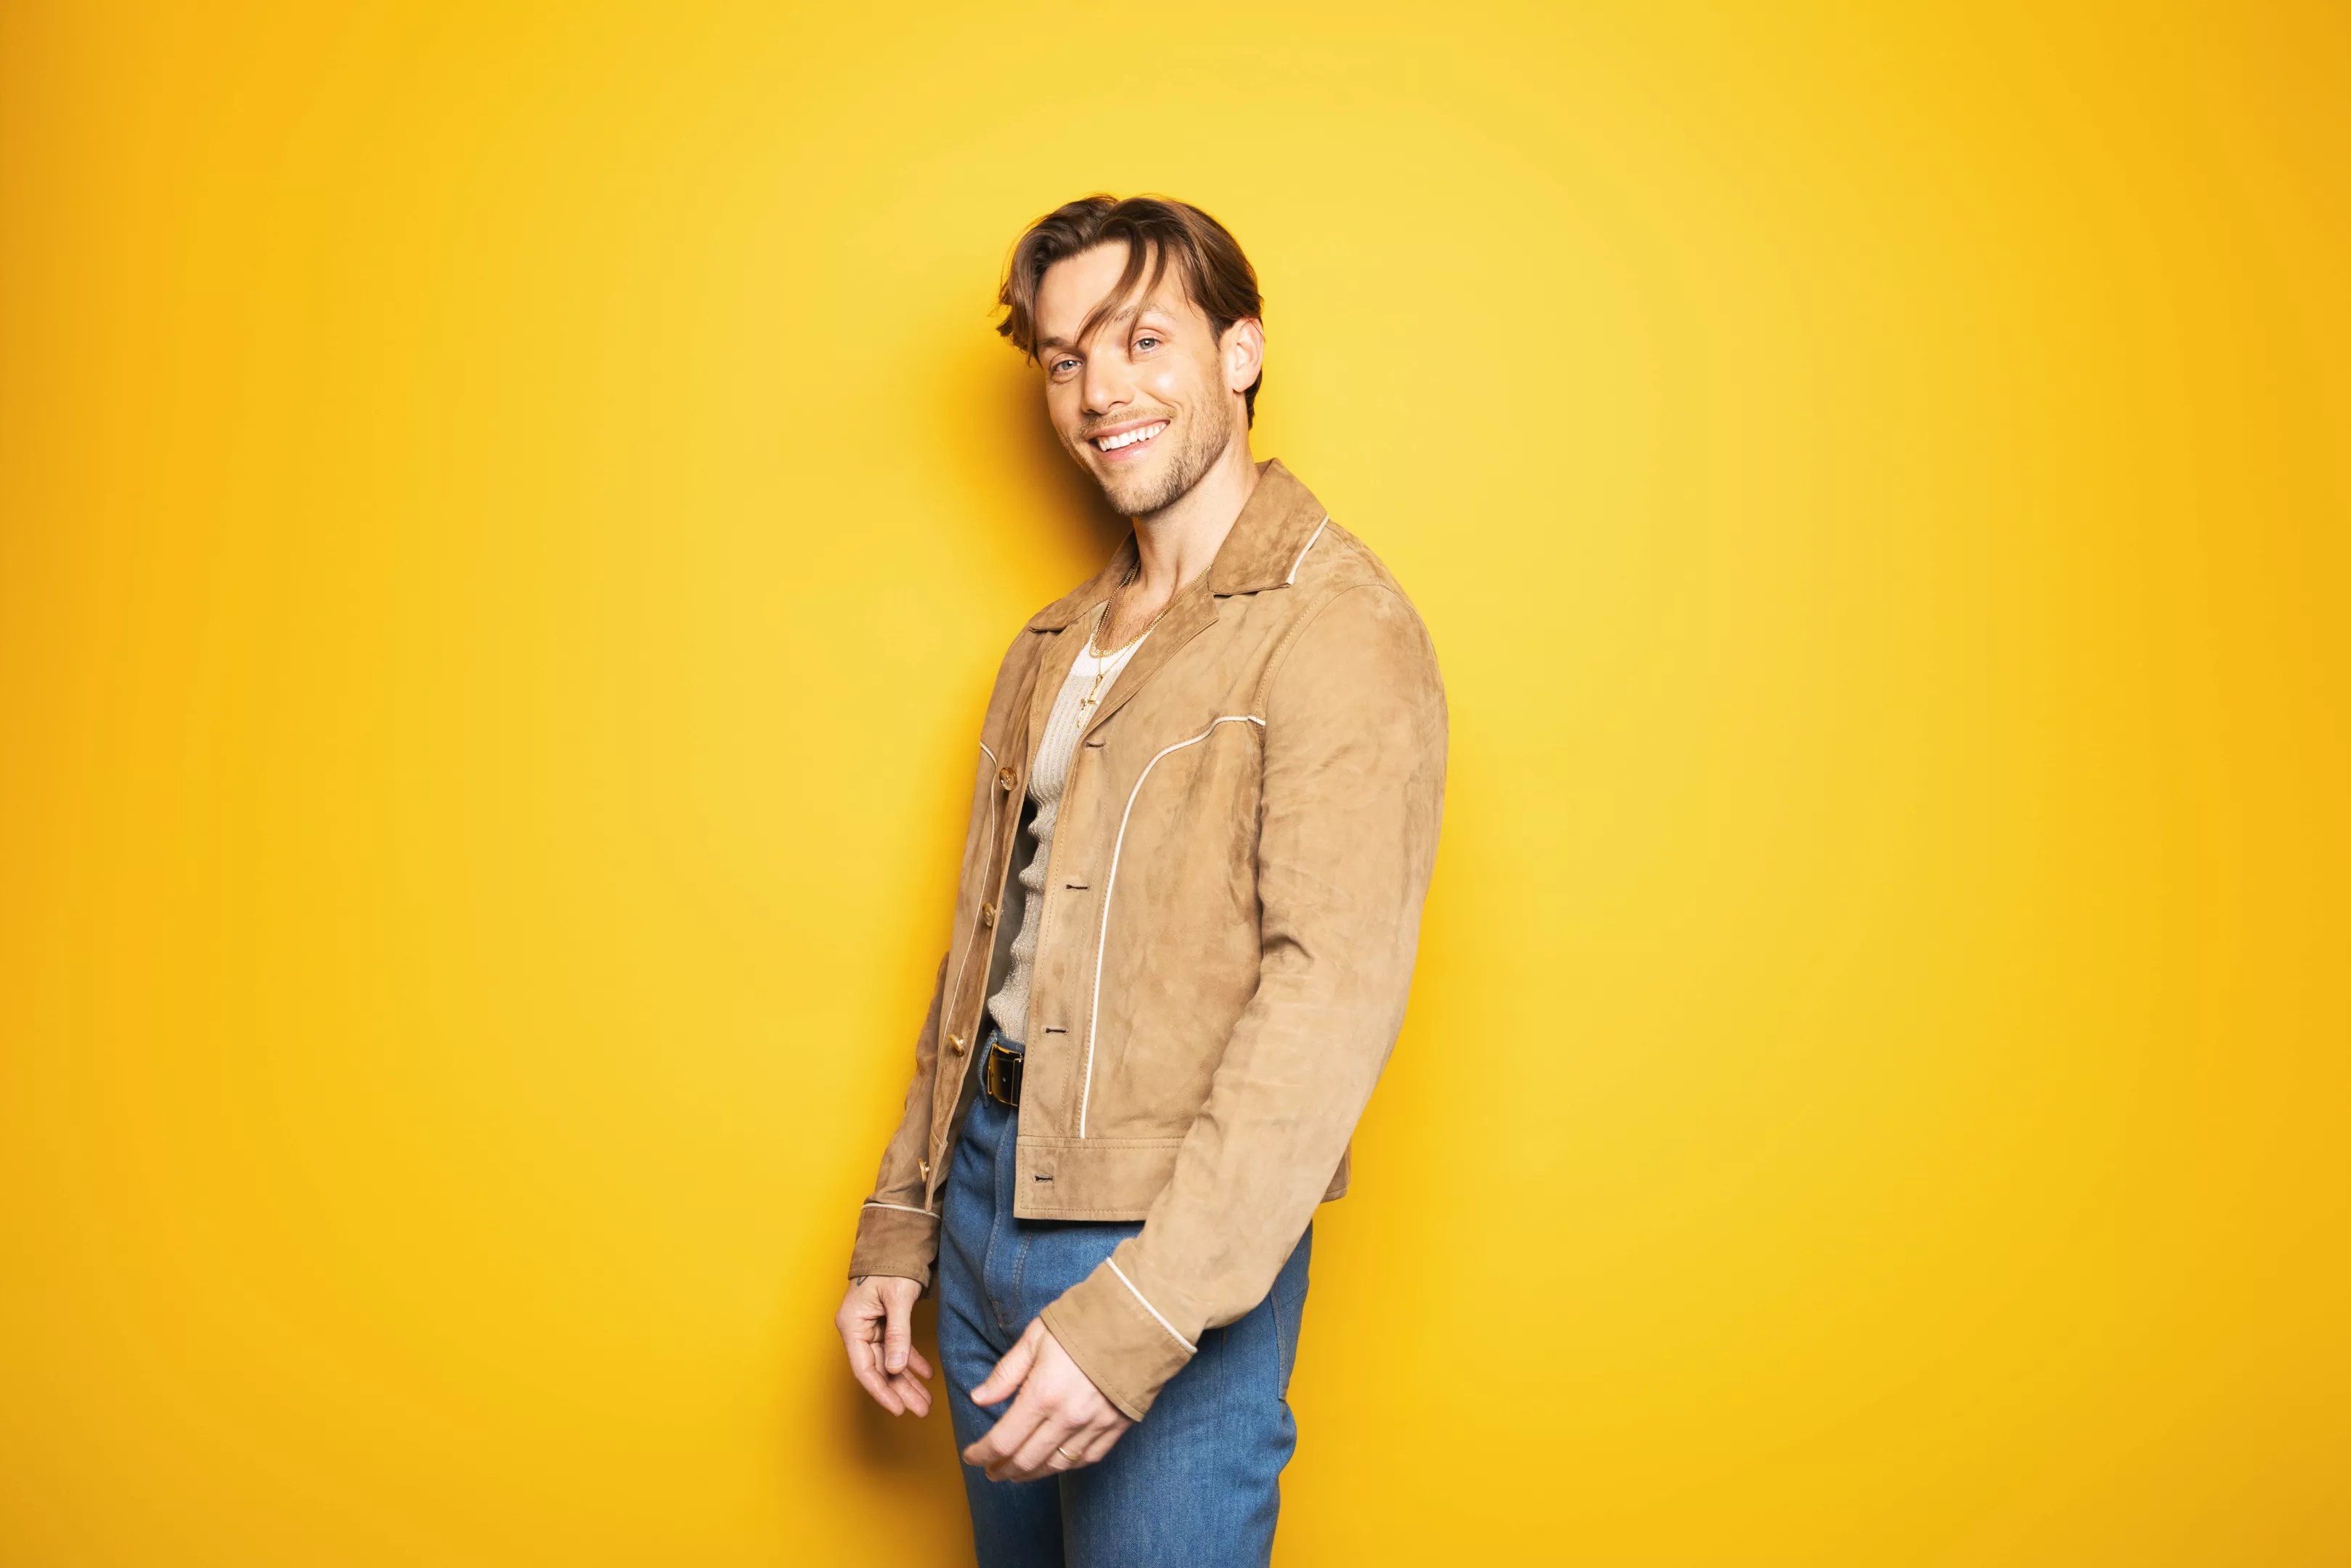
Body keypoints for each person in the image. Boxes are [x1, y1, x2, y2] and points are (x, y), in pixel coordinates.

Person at [833, 194, 1447, 1567]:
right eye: (1063, 358)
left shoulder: (1337, 630)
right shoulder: (1051, 643)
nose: (1099, 390)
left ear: (1239, 353)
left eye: (1141, 340)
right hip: (982, 1196)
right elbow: (983, 952)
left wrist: (1146, 1312)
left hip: (1169, 1237)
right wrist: (902, 1220)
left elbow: (1328, 1000)